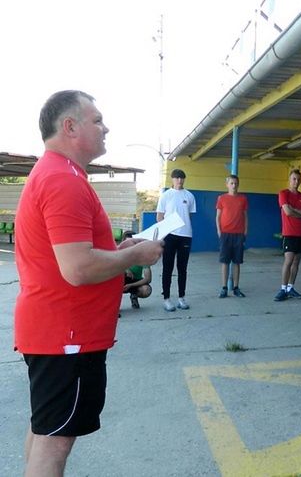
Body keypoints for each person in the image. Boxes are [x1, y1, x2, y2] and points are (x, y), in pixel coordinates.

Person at [14, 90, 163, 476]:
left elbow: (73, 254)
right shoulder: (63, 180)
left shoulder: (58, 174)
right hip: (67, 334)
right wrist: (133, 256)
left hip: (56, 331)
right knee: (55, 441)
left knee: (45, 430)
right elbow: (78, 268)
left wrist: (117, 248)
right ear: (70, 127)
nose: (105, 127)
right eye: (97, 120)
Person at [156, 168, 196, 311]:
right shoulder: (166, 196)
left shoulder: (190, 196)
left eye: (182, 178)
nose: (179, 180)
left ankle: (181, 298)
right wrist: (163, 234)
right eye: (177, 178)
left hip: (185, 236)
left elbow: (189, 216)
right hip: (169, 236)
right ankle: (166, 298)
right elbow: (160, 216)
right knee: (168, 267)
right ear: (172, 179)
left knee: (182, 268)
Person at [274, 169, 301, 301]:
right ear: (289, 180)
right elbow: (287, 212)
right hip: (289, 233)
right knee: (288, 261)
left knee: (296, 262)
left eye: (298, 179)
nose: (296, 181)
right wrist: (300, 213)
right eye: (294, 179)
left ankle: (291, 288)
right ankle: (283, 289)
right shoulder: (283, 193)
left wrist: (295, 209)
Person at [216, 174, 248, 298]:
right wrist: (219, 231)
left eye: (236, 183)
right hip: (225, 234)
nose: (234, 186)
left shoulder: (243, 199)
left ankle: (236, 287)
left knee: (237, 262)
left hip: (239, 234)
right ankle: (224, 288)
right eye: (231, 183)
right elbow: (218, 216)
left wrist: (245, 231)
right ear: (227, 184)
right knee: (225, 261)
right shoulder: (221, 198)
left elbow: (245, 216)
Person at [120, 231, 153, 309]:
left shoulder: (143, 257)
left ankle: (134, 295)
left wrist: (131, 285)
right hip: (120, 282)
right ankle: (114, 305)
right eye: (127, 242)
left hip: (135, 281)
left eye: (132, 242)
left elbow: (148, 279)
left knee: (146, 290)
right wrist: (126, 269)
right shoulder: (118, 253)